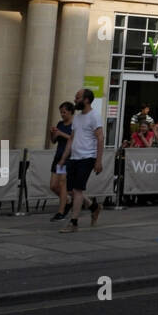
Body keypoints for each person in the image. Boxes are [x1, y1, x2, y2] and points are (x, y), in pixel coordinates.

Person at [59, 88, 104, 233]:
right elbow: (71, 139)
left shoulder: (94, 116)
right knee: (71, 191)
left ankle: (74, 223)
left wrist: (98, 160)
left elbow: (100, 138)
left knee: (78, 190)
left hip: (87, 157)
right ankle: (93, 207)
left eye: (77, 97)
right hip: (74, 157)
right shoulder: (77, 118)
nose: (74, 99)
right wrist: (63, 158)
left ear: (86, 100)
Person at [48, 102, 74, 222]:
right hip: (58, 157)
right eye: (61, 112)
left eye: (64, 112)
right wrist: (52, 133)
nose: (62, 114)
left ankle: (61, 211)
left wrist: (60, 133)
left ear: (70, 112)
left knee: (63, 184)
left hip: (67, 157)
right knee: (53, 185)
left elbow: (73, 139)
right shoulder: (60, 124)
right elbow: (53, 141)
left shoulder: (74, 125)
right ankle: (69, 200)